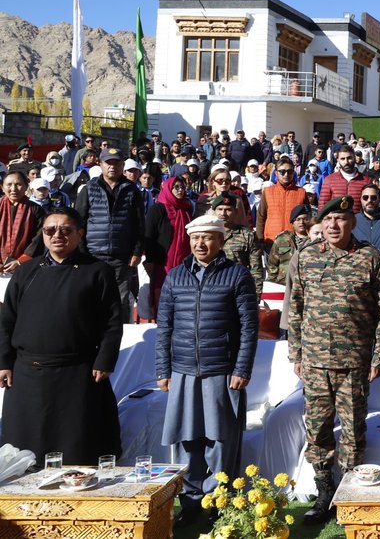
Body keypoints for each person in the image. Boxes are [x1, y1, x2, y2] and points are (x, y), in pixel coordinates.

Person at [288, 195, 380, 524]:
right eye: (328, 220)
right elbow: (296, 307)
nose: (333, 225)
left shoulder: (369, 258)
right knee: (317, 429)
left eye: (341, 219)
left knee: (353, 430)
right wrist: (296, 353)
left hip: (354, 362)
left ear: (352, 223)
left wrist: (378, 356)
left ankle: (347, 493)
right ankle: (324, 491)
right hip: (315, 361)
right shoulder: (306, 257)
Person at [156, 215, 258, 526]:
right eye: (195, 238)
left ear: (220, 240)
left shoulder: (237, 275)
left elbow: (249, 327)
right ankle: (190, 502)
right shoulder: (175, 276)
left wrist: (242, 368)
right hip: (183, 370)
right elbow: (164, 327)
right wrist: (163, 369)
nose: (200, 244)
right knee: (187, 439)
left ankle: (219, 502)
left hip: (222, 371)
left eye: (208, 237)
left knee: (221, 441)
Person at [0, 208, 122, 466]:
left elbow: (112, 322)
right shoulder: (26, 271)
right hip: (27, 374)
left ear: (80, 233)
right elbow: (6, 320)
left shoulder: (97, 271)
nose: (57, 235)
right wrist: (4, 362)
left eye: (66, 230)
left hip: (77, 372)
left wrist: (105, 360)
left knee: (78, 451)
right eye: (50, 230)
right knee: (24, 454)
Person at [75, 147, 143, 321]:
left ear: (122, 166)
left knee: (121, 300)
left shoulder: (132, 190)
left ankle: (120, 334)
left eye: (116, 163)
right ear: (100, 164)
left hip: (122, 256)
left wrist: (137, 251)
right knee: (92, 298)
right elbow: (79, 223)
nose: (112, 167)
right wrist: (82, 252)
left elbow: (139, 224)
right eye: (108, 163)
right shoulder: (89, 189)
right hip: (93, 254)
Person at [143, 176, 193, 316]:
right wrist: (150, 260)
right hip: (163, 261)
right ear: (168, 188)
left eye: (182, 187)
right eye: (176, 187)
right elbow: (149, 236)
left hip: (183, 260)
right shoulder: (157, 209)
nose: (180, 190)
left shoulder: (187, 208)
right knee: (163, 293)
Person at [210, 192, 264, 298]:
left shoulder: (247, 235)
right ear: (214, 211)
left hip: (238, 288)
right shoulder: (208, 234)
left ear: (235, 212)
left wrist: (256, 296)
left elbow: (256, 269)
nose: (223, 213)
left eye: (228, 210)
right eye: (220, 209)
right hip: (211, 289)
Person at [255, 159, 306, 248]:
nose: (286, 174)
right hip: (271, 241)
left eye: (290, 171)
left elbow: (307, 218)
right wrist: (260, 239)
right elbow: (261, 217)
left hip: (295, 242)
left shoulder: (301, 192)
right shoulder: (268, 192)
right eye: (282, 172)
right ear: (276, 173)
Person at [1, 171, 44, 272]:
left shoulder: (35, 209)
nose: (13, 189)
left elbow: (39, 238)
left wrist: (20, 261)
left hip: (25, 266)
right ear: (2, 187)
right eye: (9, 184)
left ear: (26, 186)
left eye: (18, 184)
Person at [318, 146, 371, 214]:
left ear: (354, 158)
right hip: (335, 219)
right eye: (342, 159)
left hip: (357, 219)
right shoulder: (329, 180)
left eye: (349, 158)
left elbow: (369, 205)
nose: (346, 162)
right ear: (338, 160)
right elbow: (322, 205)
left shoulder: (366, 181)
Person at [266, 204, 311, 284]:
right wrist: (272, 283)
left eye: (305, 219)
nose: (301, 222)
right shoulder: (282, 239)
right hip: (283, 284)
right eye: (298, 219)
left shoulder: (315, 240)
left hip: (308, 284)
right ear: (292, 222)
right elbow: (272, 265)